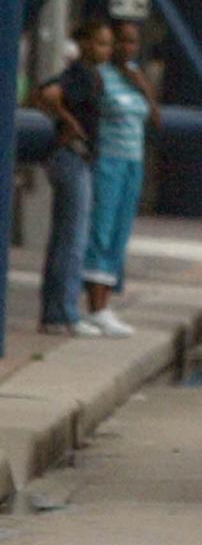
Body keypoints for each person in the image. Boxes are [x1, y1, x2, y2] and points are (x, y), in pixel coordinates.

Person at [33, 18, 114, 337]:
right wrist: (69, 122)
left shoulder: (89, 75)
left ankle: (57, 311)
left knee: (67, 237)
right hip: (72, 157)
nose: (105, 50)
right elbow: (49, 94)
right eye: (100, 43)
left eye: (107, 44)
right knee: (72, 239)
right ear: (84, 44)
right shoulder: (80, 74)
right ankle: (62, 312)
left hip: (78, 158)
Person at [80, 19, 159, 335]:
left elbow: (155, 117)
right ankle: (93, 306)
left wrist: (143, 86)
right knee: (101, 228)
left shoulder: (134, 76)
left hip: (133, 162)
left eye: (132, 42)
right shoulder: (99, 76)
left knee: (120, 232)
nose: (127, 48)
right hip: (108, 161)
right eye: (122, 42)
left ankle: (106, 305)